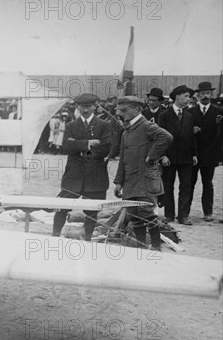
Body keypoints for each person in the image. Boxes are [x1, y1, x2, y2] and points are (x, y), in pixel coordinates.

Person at [114, 96, 173, 250]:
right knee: (134, 214)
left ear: (137, 109)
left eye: (124, 110)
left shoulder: (146, 126)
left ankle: (155, 247)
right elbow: (123, 160)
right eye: (119, 110)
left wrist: (152, 157)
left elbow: (166, 137)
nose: (121, 113)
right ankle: (141, 247)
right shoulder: (126, 132)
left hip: (145, 180)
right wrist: (119, 182)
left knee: (147, 213)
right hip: (130, 181)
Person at [52, 93, 112, 241]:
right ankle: (54, 235)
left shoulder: (104, 126)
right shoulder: (71, 126)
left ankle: (88, 238)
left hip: (95, 175)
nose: (85, 110)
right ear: (78, 107)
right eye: (82, 106)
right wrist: (89, 143)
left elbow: (105, 148)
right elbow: (66, 147)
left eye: (88, 106)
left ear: (94, 107)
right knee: (62, 206)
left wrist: (77, 145)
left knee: (92, 211)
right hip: (74, 175)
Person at [158, 85, 197, 225]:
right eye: (186, 96)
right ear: (177, 97)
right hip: (169, 158)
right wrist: (163, 156)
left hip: (186, 158)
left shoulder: (189, 116)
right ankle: (169, 215)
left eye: (189, 97)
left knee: (186, 186)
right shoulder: (164, 116)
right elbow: (160, 138)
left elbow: (192, 138)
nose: (188, 99)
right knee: (168, 186)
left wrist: (194, 154)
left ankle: (183, 216)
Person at [188, 81, 223, 222]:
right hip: (194, 154)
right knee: (190, 183)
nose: (205, 96)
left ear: (212, 94)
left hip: (210, 153)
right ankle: (185, 212)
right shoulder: (190, 112)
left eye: (208, 93)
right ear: (198, 96)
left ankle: (208, 212)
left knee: (207, 183)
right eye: (202, 94)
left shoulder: (218, 112)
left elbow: (220, 134)